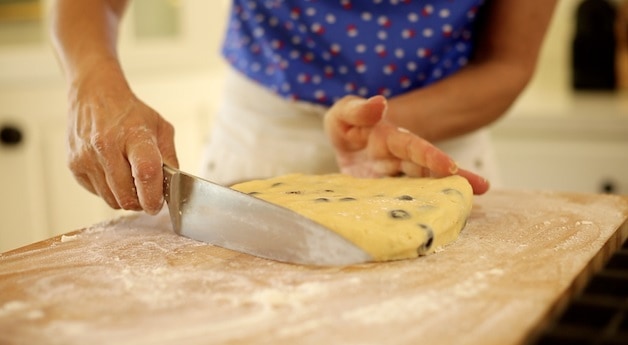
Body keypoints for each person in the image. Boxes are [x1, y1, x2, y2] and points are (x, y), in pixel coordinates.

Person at [51, 0, 556, 215]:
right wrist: (91, 83)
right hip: (264, 134)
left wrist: (390, 122)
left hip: (428, 145)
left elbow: (509, 62)